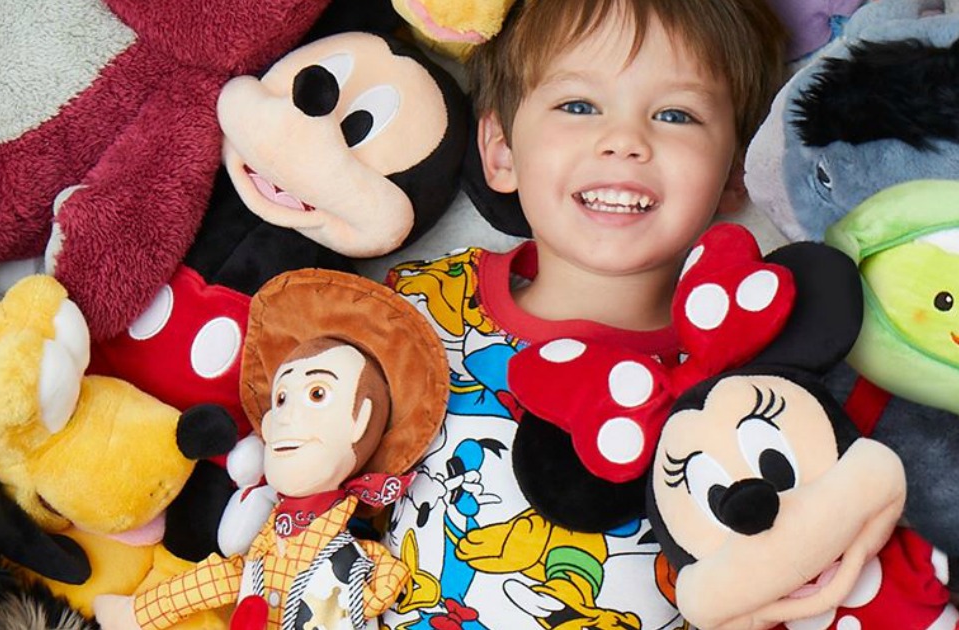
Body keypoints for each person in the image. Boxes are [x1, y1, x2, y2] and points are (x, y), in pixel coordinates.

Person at [380, 1, 787, 628]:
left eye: (675, 114)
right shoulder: (421, 308)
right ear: (501, 150)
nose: (624, 141)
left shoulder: (747, 380)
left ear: (736, 168)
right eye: (578, 106)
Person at [95, 269, 450, 630]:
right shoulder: (269, 540)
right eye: (280, 398)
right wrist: (137, 615)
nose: (278, 419)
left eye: (316, 394)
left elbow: (375, 588)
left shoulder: (356, 564)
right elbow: (225, 579)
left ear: (361, 420)